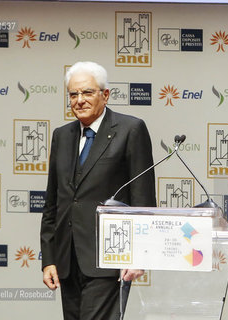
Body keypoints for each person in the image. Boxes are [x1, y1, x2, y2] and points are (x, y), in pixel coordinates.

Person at [40, 61, 156, 319]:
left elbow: (143, 198)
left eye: (87, 92)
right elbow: (53, 202)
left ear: (105, 95)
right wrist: (49, 258)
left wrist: (139, 256)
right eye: (73, 94)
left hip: (110, 260)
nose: (79, 100)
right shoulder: (61, 135)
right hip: (67, 261)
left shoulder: (130, 129)